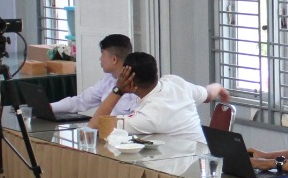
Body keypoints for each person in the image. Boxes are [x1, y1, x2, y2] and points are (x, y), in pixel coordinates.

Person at [87, 52, 229, 140]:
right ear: (156, 72)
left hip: (185, 171)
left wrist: (118, 90)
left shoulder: (149, 115)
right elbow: (209, 94)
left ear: (129, 81)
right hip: (201, 157)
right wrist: (220, 87)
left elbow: (94, 126)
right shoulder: (175, 82)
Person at [48, 33, 139, 117]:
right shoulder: (108, 79)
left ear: (114, 59)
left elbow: (135, 119)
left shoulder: (136, 84)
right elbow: (81, 101)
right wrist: (49, 107)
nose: (100, 59)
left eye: (102, 54)